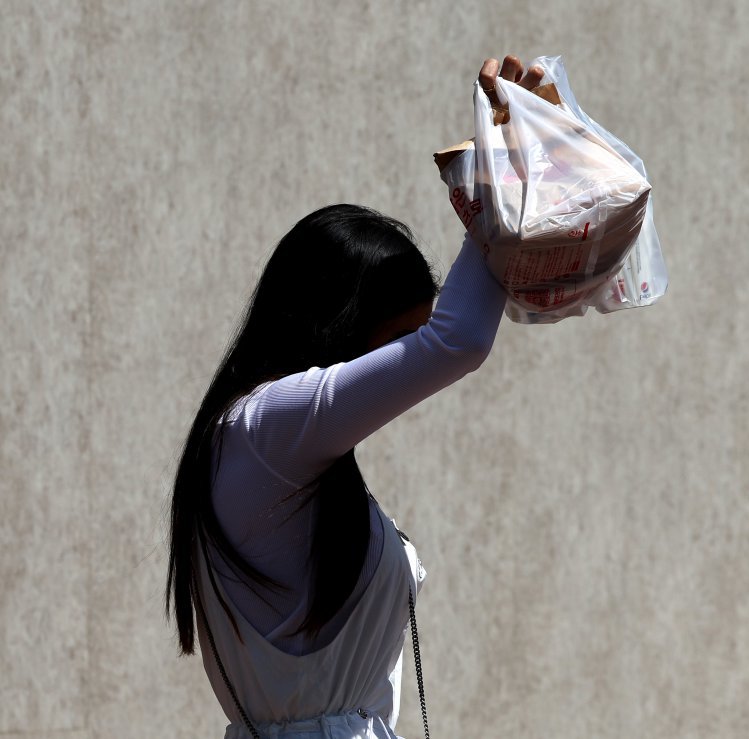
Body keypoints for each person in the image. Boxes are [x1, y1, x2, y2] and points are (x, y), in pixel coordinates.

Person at [166, 56, 545, 739]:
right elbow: (457, 342)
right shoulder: (266, 428)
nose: (404, 366)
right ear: (339, 321)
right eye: (398, 338)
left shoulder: (282, 447)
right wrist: (504, 175)